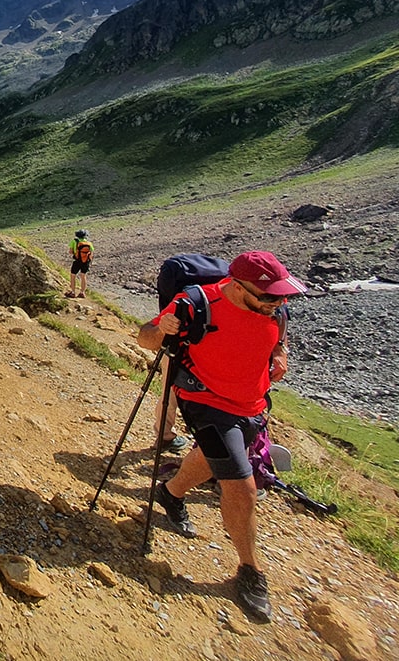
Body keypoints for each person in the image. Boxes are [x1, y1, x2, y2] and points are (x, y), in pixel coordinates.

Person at [137, 250, 305, 622]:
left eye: (281, 296)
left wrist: (281, 353)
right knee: (241, 485)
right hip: (205, 401)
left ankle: (170, 492)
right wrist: (161, 330)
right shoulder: (197, 302)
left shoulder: (275, 308)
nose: (276, 303)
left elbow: (278, 336)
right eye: (268, 296)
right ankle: (250, 571)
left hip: (252, 405)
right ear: (237, 286)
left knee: (215, 461)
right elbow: (145, 338)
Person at [67, 229, 93, 298]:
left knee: (73, 275)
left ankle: (73, 292)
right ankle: (82, 292)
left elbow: (70, 251)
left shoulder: (74, 241)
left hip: (77, 261)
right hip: (86, 262)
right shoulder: (89, 243)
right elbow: (91, 253)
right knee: (83, 276)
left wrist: (76, 253)